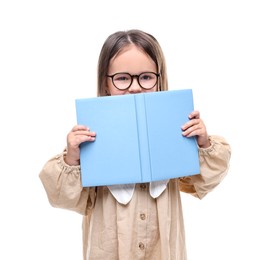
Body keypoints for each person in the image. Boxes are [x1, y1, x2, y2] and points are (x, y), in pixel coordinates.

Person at [39, 29, 231, 260]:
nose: (135, 87)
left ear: (159, 80)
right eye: (122, 78)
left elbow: (202, 182)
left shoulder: (175, 125)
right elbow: (63, 199)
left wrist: (202, 144)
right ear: (106, 83)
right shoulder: (91, 136)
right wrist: (72, 158)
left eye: (146, 77)